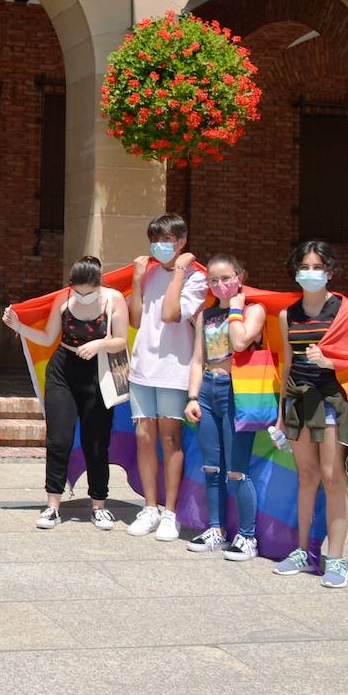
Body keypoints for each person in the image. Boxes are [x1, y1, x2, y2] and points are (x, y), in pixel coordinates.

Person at [3, 256, 129, 530]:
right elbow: (49, 338)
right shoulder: (63, 299)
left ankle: (99, 504)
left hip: (99, 373)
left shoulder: (113, 298)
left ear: (99, 284)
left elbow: (120, 340)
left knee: (95, 443)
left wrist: (98, 345)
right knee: (58, 440)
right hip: (63, 371)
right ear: (71, 286)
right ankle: (52, 506)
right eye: (78, 291)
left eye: (89, 292)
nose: (83, 297)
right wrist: (19, 327)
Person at [273, 241, 348, 589]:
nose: (310, 273)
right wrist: (282, 414)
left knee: (332, 478)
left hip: (332, 401)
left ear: (329, 272)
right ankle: (303, 551)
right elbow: (287, 364)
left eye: (317, 267)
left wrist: (331, 362)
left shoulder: (343, 310)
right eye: (305, 266)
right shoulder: (289, 315)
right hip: (300, 402)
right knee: (306, 476)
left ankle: (337, 558)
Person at [125, 212, 207, 541]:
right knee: (144, 436)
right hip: (143, 366)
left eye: (167, 241)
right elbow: (134, 320)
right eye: (155, 241)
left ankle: (171, 512)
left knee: (170, 439)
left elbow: (171, 314)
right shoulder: (148, 273)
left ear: (182, 242)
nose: (160, 247)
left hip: (175, 369)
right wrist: (135, 279)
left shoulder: (196, 278)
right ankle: (149, 507)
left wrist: (180, 272)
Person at [181, 254, 269, 559]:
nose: (220, 285)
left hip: (238, 392)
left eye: (226, 278)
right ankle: (216, 529)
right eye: (213, 281)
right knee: (212, 467)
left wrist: (235, 309)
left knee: (237, 469)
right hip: (207, 389)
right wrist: (192, 397)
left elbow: (241, 341)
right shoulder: (205, 315)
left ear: (240, 276)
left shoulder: (254, 310)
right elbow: (197, 359)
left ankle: (248, 536)